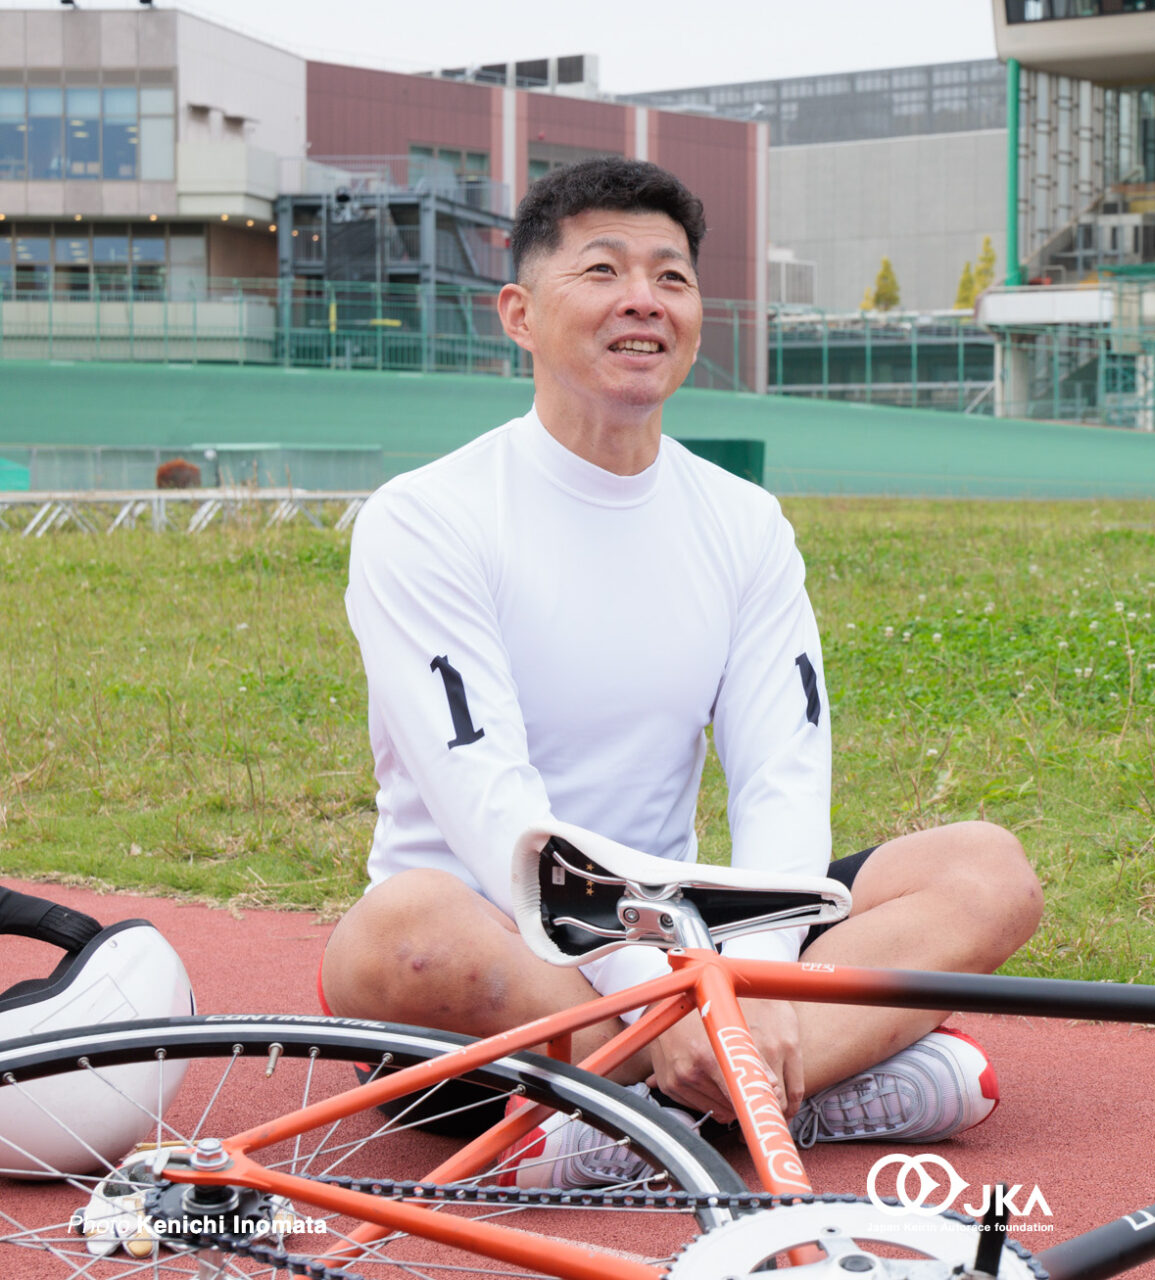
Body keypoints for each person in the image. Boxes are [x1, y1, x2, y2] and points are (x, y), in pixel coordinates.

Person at [319, 157, 1043, 1188]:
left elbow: (782, 774)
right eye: (603, 270)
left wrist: (749, 980)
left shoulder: (742, 522)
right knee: (392, 939)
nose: (642, 301)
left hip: (699, 941)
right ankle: (779, 1086)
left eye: (671, 276)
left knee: (986, 870)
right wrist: (663, 999)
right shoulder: (426, 518)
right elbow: (492, 807)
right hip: (511, 966)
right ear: (519, 314)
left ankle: (648, 1121)